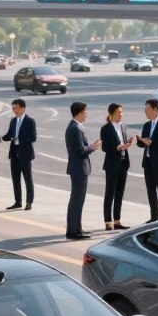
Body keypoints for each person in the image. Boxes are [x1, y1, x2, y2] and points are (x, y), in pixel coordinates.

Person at [64, 101, 101, 240]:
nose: (87, 114)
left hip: (79, 168)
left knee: (78, 200)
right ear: (79, 112)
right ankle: (73, 231)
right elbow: (80, 150)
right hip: (79, 168)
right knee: (77, 200)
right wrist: (93, 147)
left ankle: (76, 229)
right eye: (85, 111)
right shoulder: (75, 128)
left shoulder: (76, 126)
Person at [137, 98, 158, 223]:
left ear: (155, 109)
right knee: (150, 191)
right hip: (148, 162)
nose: (146, 111)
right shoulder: (147, 125)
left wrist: (151, 142)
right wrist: (141, 142)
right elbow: (142, 145)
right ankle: (154, 217)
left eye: (147, 109)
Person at [101, 102, 134, 232]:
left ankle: (117, 220)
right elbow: (105, 148)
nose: (120, 115)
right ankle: (108, 221)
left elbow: (123, 143)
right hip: (112, 164)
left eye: (121, 112)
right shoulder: (106, 128)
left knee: (120, 193)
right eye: (118, 113)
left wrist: (128, 143)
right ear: (111, 114)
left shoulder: (123, 126)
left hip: (123, 163)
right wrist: (118, 147)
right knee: (110, 193)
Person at [0, 98, 36, 210]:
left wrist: (19, 139)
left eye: (15, 108)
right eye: (13, 108)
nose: (14, 110)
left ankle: (29, 202)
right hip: (14, 153)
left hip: (25, 154)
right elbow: (9, 134)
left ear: (22, 108)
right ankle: (18, 201)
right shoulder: (13, 120)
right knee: (16, 179)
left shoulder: (30, 121)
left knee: (27, 179)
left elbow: (33, 137)